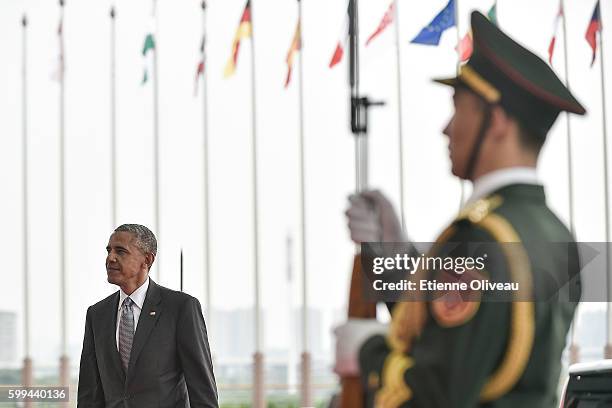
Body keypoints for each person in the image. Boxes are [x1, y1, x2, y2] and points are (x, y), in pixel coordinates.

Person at [342, 11, 584, 408]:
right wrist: (397, 259)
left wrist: (368, 350)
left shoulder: (481, 237)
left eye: (460, 108)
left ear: (498, 121)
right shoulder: (552, 231)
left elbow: (438, 393)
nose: (447, 127)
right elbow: (473, 340)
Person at [77, 224, 218, 408]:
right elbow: (89, 393)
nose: (110, 258)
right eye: (109, 250)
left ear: (147, 259)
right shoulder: (97, 314)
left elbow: (202, 390)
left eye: (120, 251)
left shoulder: (181, 308)